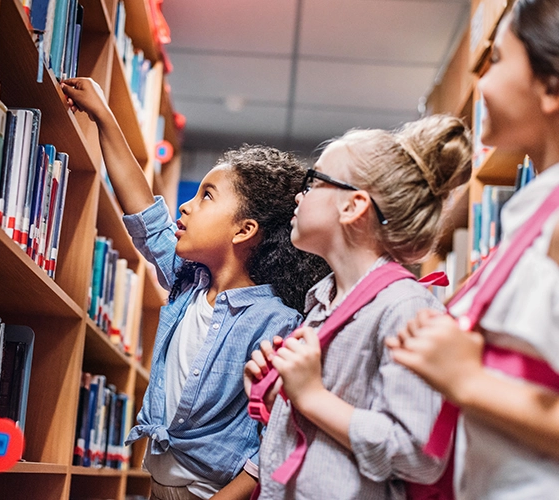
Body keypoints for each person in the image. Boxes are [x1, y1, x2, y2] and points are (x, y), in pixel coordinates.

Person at [61, 77, 330, 500]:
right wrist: (104, 118)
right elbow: (145, 215)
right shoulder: (189, 280)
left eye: (207, 196)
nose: (185, 205)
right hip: (158, 484)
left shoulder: (277, 321)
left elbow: (272, 441)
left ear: (245, 230)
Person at [244, 114, 472, 499]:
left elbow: (419, 454)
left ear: (353, 206)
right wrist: (278, 393)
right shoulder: (321, 301)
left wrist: (311, 396)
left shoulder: (407, 309)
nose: (300, 195)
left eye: (313, 182)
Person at [386, 0, 559, 498]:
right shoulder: (533, 212)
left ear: (550, 86)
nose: (481, 83)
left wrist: (466, 379)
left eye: (498, 61)